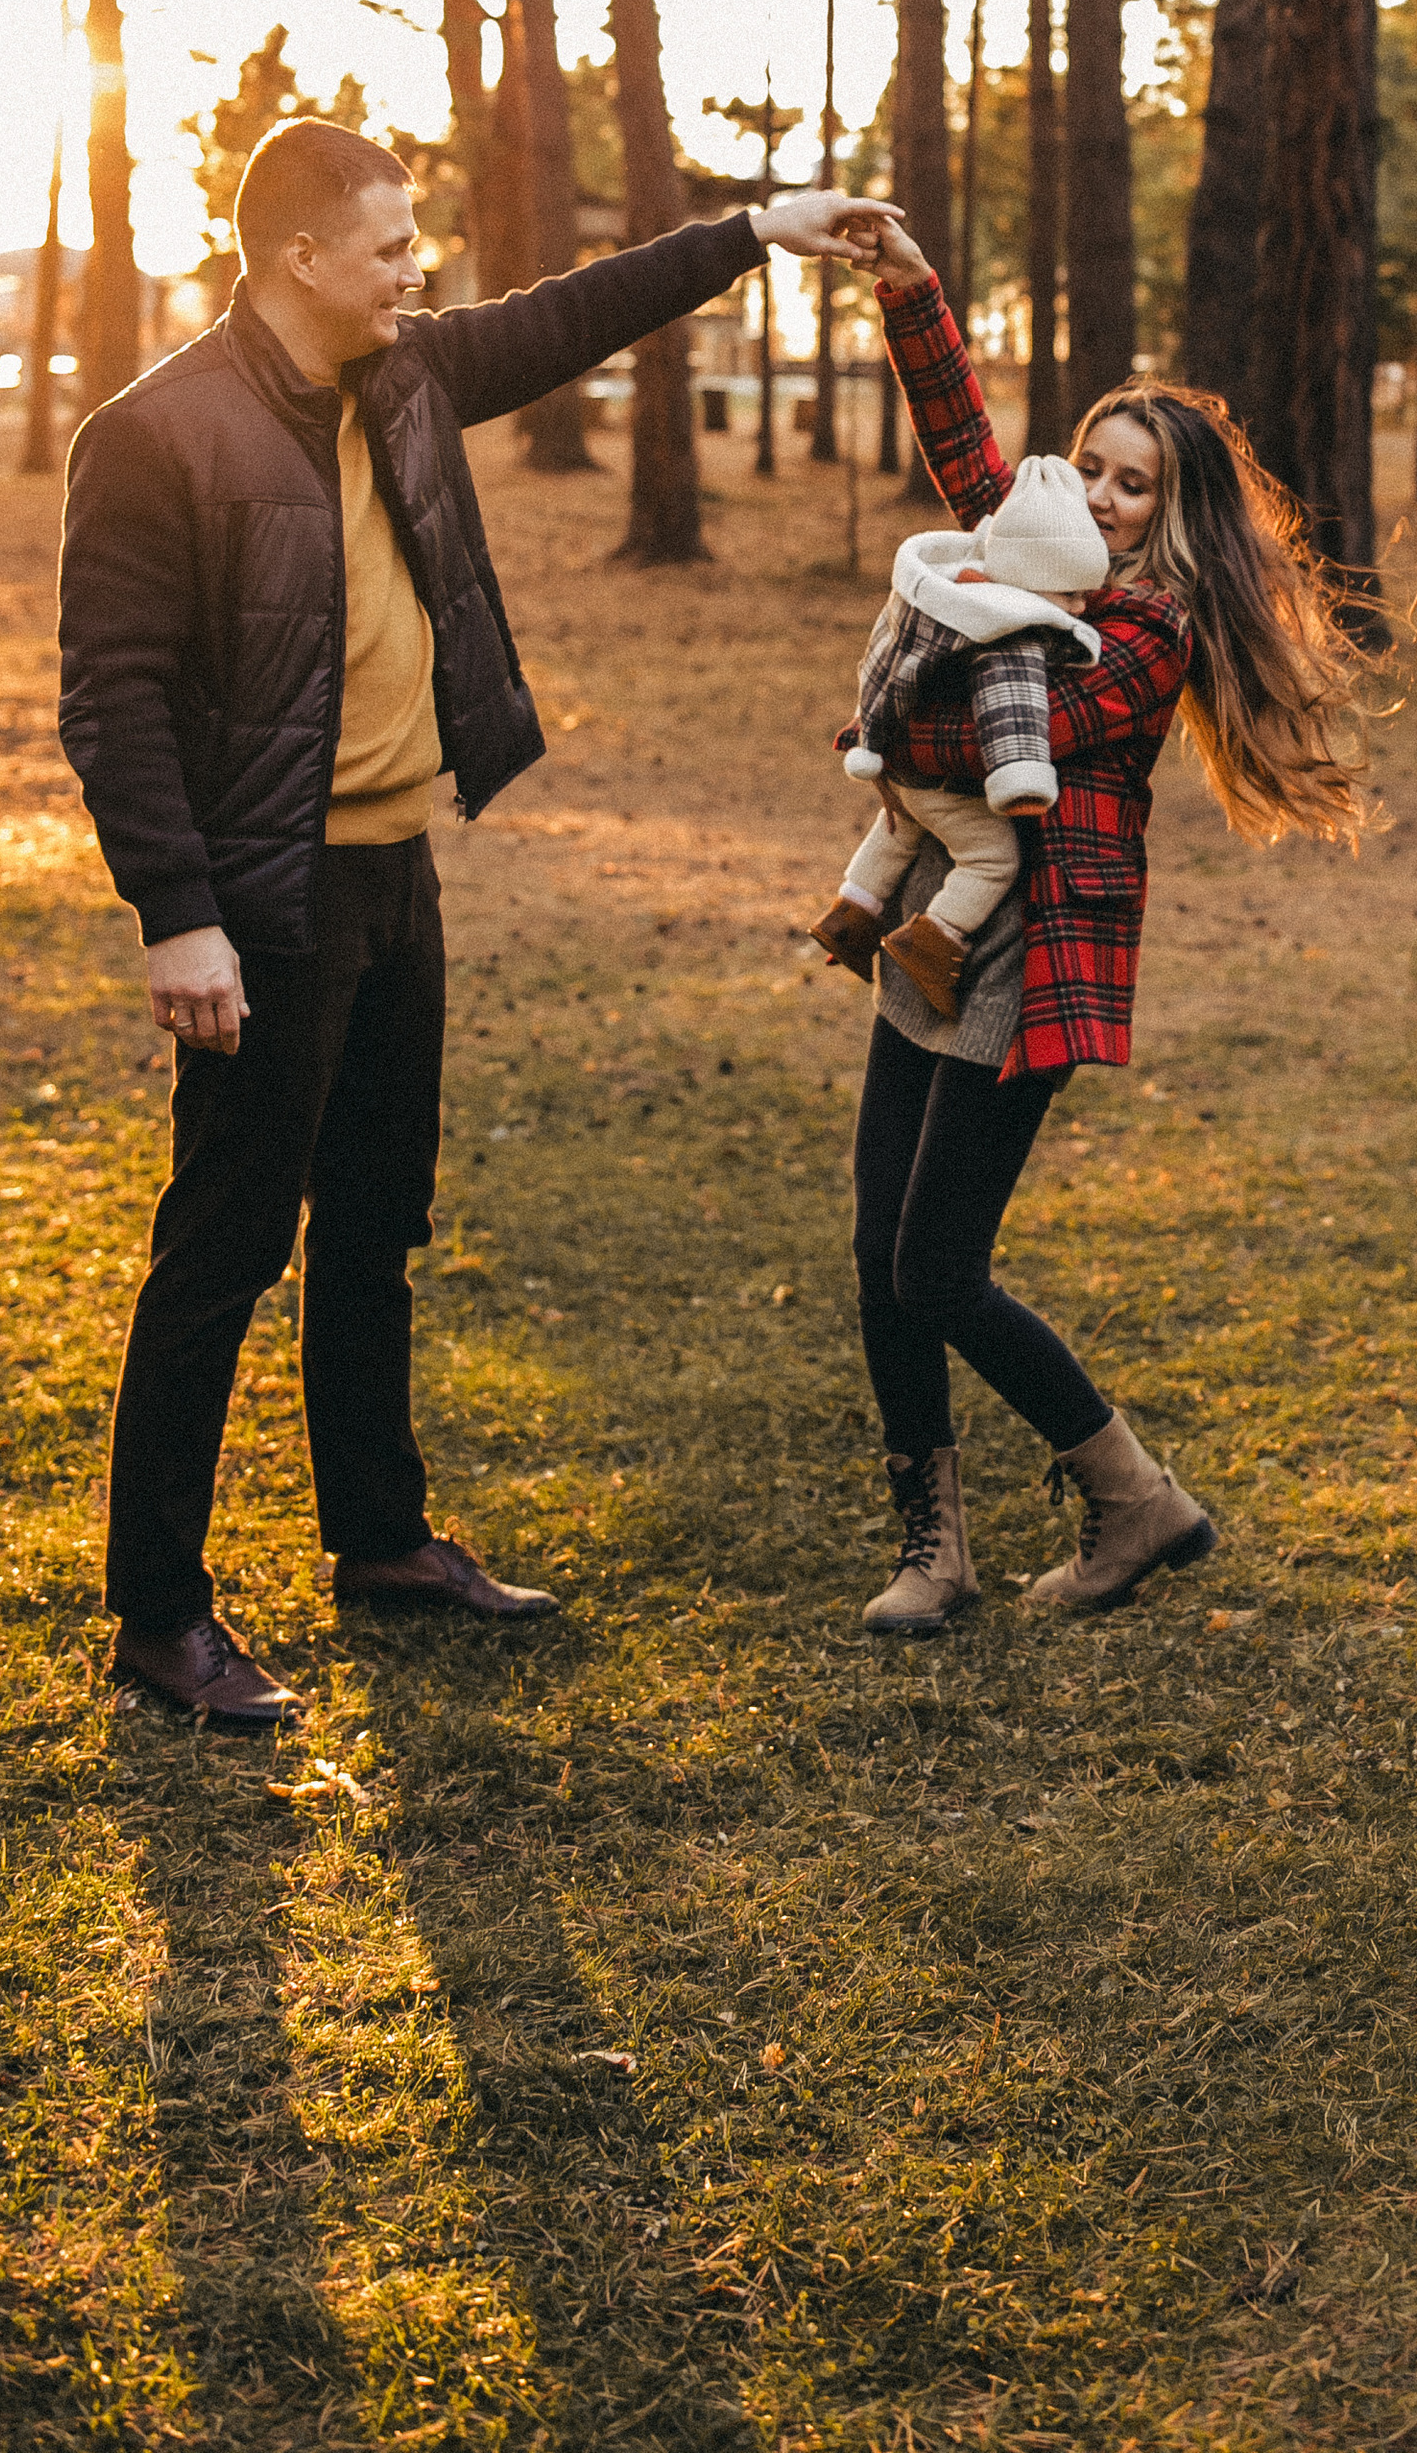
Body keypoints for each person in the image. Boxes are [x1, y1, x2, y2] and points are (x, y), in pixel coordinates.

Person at [56, 118, 858, 1732]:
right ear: (298, 257)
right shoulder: (160, 436)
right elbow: (114, 698)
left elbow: (570, 316)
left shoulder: (404, 377)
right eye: (389, 246)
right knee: (223, 1251)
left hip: (394, 874)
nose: (415, 269)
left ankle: (381, 1541)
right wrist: (181, 919)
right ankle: (159, 1617)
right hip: (262, 904)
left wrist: (757, 230)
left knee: (375, 1226)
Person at [816, 201, 1371, 1641]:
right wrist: (915, 293)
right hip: (936, 927)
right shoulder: (1033, 562)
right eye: (1098, 473)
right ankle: (932, 1548)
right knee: (880, 1244)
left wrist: (904, 689)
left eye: (1137, 486)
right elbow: (966, 454)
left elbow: (1006, 740)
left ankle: (1134, 1496)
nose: (1109, 500)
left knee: (939, 1265)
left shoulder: (1146, 635)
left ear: (1171, 510)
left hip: (1029, 964)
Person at [815, 452, 1109, 1023]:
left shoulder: (947, 590)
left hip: (898, 766)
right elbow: (1013, 712)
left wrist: (872, 739)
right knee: (992, 858)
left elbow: (881, 660)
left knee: (898, 829)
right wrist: (1020, 782)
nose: (1080, 607)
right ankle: (935, 943)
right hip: (947, 782)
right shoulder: (1012, 629)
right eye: (1071, 594)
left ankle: (850, 917)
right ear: (1034, 581)